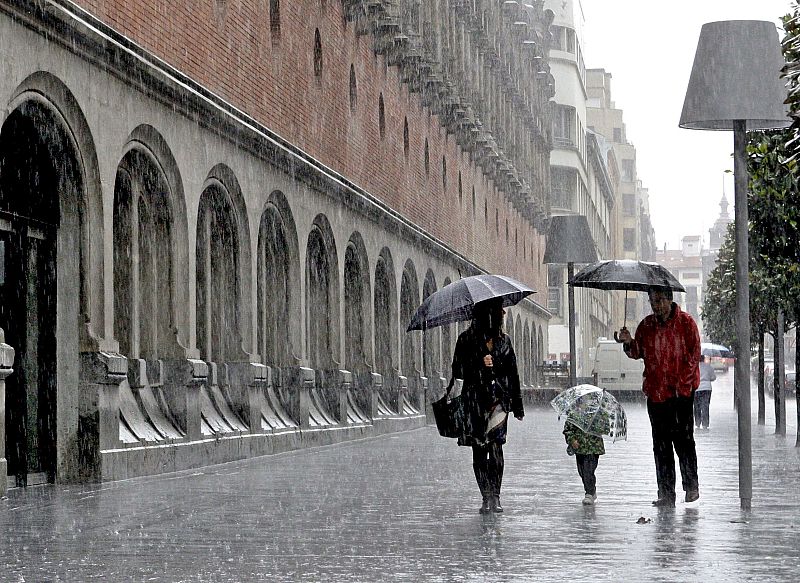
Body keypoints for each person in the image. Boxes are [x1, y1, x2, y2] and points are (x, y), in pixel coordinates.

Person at [618, 288, 701, 508]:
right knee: (661, 446)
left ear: (670, 300)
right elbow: (637, 352)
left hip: (681, 395)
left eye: (660, 301)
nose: (656, 306)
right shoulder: (646, 326)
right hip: (656, 395)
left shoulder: (686, 323)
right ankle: (666, 493)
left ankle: (691, 486)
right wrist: (628, 342)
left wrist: (682, 386)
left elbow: (693, 357)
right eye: (653, 301)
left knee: (683, 441)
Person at [451, 297, 524, 514]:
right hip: (475, 401)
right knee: (479, 451)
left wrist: (517, 405)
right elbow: (457, 370)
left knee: (496, 448)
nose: (503, 313)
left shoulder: (505, 340)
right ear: (487, 314)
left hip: (498, 402)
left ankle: (496, 496)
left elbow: (513, 373)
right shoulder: (466, 339)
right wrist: (478, 362)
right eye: (499, 309)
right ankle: (485, 496)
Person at [563, 419, 605, 505]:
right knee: (582, 472)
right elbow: (567, 430)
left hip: (594, 447)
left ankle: (589, 493)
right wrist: (572, 440)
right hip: (580, 447)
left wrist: (595, 426)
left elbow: (605, 428)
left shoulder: (600, 413)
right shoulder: (574, 413)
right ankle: (592, 490)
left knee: (588, 470)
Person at [694, 355, 716, 430]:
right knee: (705, 406)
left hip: (696, 388)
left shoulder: (694, 367)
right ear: (704, 359)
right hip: (707, 388)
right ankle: (705, 424)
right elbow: (713, 377)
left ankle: (697, 423)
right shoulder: (708, 367)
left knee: (697, 406)